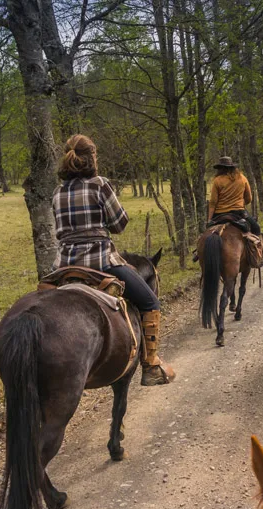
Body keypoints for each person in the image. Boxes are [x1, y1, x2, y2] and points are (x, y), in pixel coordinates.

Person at [52, 134, 175, 386]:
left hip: (64, 266)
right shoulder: (100, 185)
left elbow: (59, 231)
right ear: (91, 158)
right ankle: (151, 365)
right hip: (101, 262)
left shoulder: (57, 192)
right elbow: (120, 224)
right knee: (150, 302)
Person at [208, 156, 261, 236]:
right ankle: (258, 243)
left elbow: (213, 202)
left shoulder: (217, 180)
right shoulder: (242, 178)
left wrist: (209, 220)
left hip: (219, 213)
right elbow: (249, 199)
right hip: (238, 212)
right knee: (256, 228)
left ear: (220, 168)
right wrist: (240, 204)